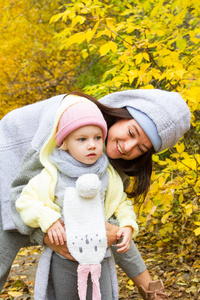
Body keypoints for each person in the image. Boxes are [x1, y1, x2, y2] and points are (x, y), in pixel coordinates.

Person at [0, 89, 191, 300]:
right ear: (121, 115)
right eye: (131, 132)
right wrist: (46, 236)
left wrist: (150, 287)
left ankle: (151, 292)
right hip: (8, 159)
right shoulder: (70, 116)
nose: (128, 147)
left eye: (141, 147)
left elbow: (107, 226)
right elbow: (18, 194)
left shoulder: (98, 157)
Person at [14, 99, 138, 300]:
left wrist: (127, 225)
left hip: (100, 256)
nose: (92, 145)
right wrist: (48, 219)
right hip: (64, 257)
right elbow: (25, 201)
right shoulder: (52, 175)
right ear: (63, 143)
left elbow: (121, 202)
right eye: (82, 139)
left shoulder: (107, 174)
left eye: (98, 138)